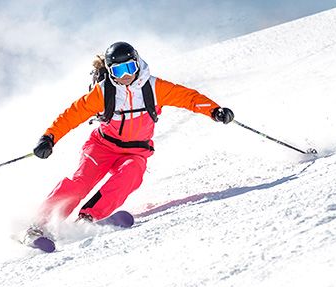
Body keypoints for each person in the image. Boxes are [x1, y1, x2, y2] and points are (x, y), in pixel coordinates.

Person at [27, 41, 234, 239]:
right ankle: (39, 225)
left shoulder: (154, 88)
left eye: (130, 67)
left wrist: (214, 111)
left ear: (137, 63)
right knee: (81, 182)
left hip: (136, 151)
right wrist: (49, 138)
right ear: (110, 72)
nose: (126, 75)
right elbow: (72, 115)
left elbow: (188, 98)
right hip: (102, 147)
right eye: (118, 71)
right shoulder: (103, 92)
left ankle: (89, 217)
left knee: (131, 173)